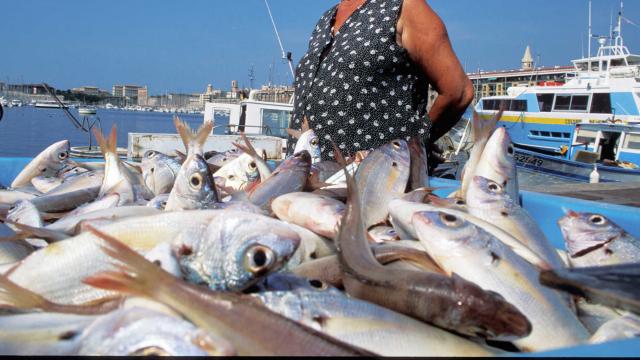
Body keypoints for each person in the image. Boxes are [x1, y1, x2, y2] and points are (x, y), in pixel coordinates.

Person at [287, 0, 474, 162]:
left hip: (375, 185)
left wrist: (416, 144)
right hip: (306, 181)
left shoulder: (404, 8)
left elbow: (458, 92)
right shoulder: (326, 19)